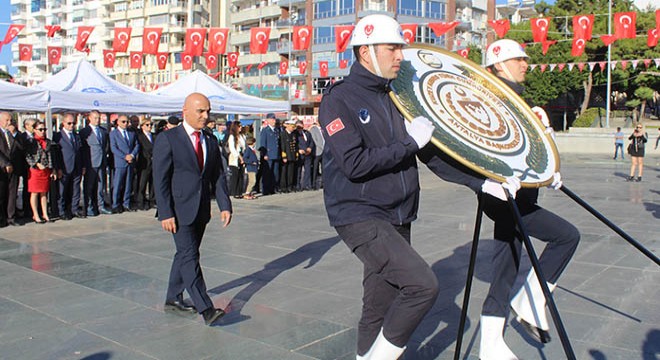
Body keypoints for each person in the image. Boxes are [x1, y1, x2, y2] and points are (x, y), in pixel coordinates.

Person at [318, 14, 484, 359]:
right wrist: (409, 143)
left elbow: (432, 156)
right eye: (392, 48)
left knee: (379, 305)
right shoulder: (339, 99)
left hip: (398, 214)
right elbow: (354, 163)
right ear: (366, 52)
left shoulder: (398, 97)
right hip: (359, 213)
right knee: (423, 285)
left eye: (400, 48)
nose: (400, 56)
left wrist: (481, 183)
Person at [463, 39, 579, 360]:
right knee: (567, 236)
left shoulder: (518, 97)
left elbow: (528, 149)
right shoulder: (493, 98)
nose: (525, 63)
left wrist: (548, 165)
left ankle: (490, 344)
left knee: (505, 268)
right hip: (504, 195)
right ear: (499, 64)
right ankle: (528, 302)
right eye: (518, 59)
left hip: (519, 194)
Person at [153, 92, 232, 326]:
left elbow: (217, 176)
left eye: (208, 111)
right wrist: (165, 212)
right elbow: (160, 179)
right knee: (190, 256)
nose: (205, 116)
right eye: (200, 111)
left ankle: (173, 297)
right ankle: (205, 308)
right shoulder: (168, 139)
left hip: (201, 209)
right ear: (185, 111)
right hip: (178, 210)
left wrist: (225, 205)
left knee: (185, 254)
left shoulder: (209, 140)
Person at [52, 113, 85, 220]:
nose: (71, 125)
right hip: (64, 167)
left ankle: (74, 209)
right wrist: (58, 168)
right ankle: (61, 211)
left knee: (76, 189)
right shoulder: (58, 136)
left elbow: (80, 151)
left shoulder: (76, 135)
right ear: (63, 123)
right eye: (69, 123)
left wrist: (83, 166)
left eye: (73, 123)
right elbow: (56, 154)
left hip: (77, 166)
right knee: (62, 190)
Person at [80, 110, 111, 216]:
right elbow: (83, 149)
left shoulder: (103, 131)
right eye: (95, 118)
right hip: (90, 163)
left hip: (101, 161)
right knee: (89, 186)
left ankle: (100, 206)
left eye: (98, 118)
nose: (97, 120)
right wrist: (84, 164)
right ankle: (89, 207)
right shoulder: (84, 132)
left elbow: (105, 145)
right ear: (90, 118)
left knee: (100, 185)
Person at [25, 120, 57, 224]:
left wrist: (52, 170)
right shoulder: (31, 141)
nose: (43, 131)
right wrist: (36, 164)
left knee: (44, 193)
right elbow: (27, 156)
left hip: (45, 170)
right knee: (34, 192)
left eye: (44, 129)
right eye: (40, 129)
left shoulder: (47, 141)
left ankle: (45, 214)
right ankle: (36, 214)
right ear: (34, 130)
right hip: (35, 171)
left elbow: (51, 157)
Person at [110, 114, 139, 213]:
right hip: (120, 162)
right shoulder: (113, 134)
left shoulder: (131, 133)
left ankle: (126, 203)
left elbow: (136, 145)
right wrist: (124, 156)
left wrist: (132, 155)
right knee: (118, 184)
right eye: (123, 121)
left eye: (127, 122)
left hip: (130, 161)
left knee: (128, 184)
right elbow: (114, 148)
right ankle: (115, 204)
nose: (126, 124)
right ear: (118, 122)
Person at [135, 117, 155, 210]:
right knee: (142, 184)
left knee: (153, 183)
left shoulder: (154, 136)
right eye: (147, 125)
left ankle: (152, 200)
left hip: (153, 163)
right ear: (142, 126)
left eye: (151, 125)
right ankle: (140, 202)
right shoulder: (139, 137)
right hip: (144, 163)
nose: (149, 126)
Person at [258, 113, 281, 195]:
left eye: (274, 119)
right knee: (267, 173)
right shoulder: (265, 130)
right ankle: (266, 189)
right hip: (269, 154)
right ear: (267, 120)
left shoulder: (276, 130)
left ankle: (273, 188)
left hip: (276, 154)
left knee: (275, 173)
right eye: (272, 119)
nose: (274, 121)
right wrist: (264, 154)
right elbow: (263, 143)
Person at [227, 121, 246, 198]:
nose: (241, 128)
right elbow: (232, 148)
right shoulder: (232, 136)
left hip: (242, 155)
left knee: (241, 175)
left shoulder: (242, 136)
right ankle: (234, 192)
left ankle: (240, 191)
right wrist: (239, 157)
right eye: (239, 126)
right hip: (235, 158)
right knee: (235, 175)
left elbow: (244, 146)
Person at [295, 119, 314, 191]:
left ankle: (307, 185)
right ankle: (298, 185)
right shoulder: (295, 134)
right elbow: (294, 144)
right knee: (298, 170)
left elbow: (311, 141)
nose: (300, 128)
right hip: (300, 154)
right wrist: (298, 150)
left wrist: (310, 147)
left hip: (307, 153)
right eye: (298, 127)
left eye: (301, 126)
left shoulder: (307, 132)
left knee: (308, 170)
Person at [279, 119, 298, 193]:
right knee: (284, 172)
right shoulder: (283, 134)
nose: (293, 128)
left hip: (292, 154)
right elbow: (283, 145)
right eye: (292, 126)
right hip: (286, 155)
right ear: (288, 126)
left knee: (291, 171)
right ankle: (284, 186)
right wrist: (284, 156)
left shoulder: (293, 134)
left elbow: (295, 145)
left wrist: (296, 155)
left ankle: (290, 185)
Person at [308, 119, 325, 190]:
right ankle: (313, 184)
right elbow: (315, 140)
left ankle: (323, 183)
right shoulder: (313, 129)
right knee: (315, 168)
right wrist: (322, 147)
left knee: (324, 168)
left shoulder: (323, 129)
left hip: (324, 152)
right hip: (317, 151)